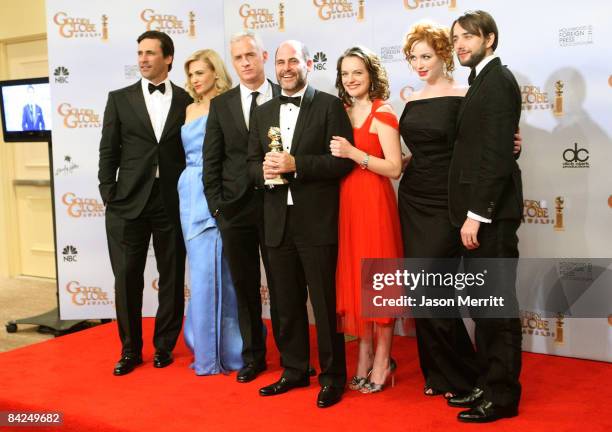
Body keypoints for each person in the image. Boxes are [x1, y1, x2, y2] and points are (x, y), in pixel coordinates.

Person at [398, 21, 523, 404]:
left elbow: (490, 146)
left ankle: (482, 385)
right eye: (413, 57)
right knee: (428, 296)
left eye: (427, 55)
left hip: (453, 204)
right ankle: (457, 375)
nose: (420, 63)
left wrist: (511, 148)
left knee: (483, 301)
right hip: (416, 198)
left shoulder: (480, 87)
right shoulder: (432, 95)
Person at [247, 40, 353, 408]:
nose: (287, 68)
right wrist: (261, 172)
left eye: (294, 61)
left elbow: (342, 162)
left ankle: (332, 376)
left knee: (324, 306)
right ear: (273, 67)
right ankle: (293, 370)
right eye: (281, 62)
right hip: (276, 220)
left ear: (308, 63)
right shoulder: (261, 112)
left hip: (317, 221)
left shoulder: (328, 106)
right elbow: (248, 162)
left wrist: (298, 165)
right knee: (285, 303)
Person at [98, 30, 192, 376]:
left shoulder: (187, 100)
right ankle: (129, 349)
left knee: (171, 275)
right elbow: (108, 150)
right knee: (126, 278)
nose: (143, 59)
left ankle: (164, 346)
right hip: (127, 202)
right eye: (139, 52)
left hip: (171, 200)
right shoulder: (119, 98)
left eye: (150, 53)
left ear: (167, 58)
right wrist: (109, 191)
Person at [447, 11, 523, 423]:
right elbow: (494, 145)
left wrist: (477, 215)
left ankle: (503, 396)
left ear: (489, 39)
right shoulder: (483, 81)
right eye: (456, 37)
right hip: (479, 214)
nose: (460, 44)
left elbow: (494, 157)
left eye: (468, 37)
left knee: (496, 309)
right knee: (482, 306)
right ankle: (488, 383)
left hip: (489, 217)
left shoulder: (497, 81)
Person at [203, 31, 282, 383]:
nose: (246, 62)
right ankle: (254, 356)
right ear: (232, 63)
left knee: (284, 286)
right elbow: (212, 160)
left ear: (264, 55)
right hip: (234, 210)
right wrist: (217, 208)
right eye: (238, 58)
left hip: (279, 206)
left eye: (251, 55)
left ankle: (293, 358)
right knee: (245, 286)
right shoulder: (222, 105)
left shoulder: (286, 96)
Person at [329, 46, 403, 394]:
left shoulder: (383, 112)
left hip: (374, 203)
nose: (351, 79)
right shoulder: (340, 111)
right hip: (347, 204)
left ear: (371, 74)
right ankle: (363, 355)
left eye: (357, 72)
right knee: (357, 283)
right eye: (345, 74)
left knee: (379, 284)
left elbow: (394, 167)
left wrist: (355, 153)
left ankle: (383, 359)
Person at [179, 49, 243, 375]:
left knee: (216, 276)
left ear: (215, 73)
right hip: (187, 190)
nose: (194, 80)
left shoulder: (228, 104)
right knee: (200, 274)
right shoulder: (189, 108)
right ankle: (206, 350)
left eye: (200, 73)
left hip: (213, 189)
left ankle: (222, 355)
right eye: (190, 74)